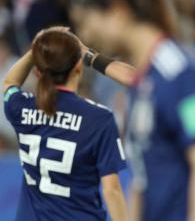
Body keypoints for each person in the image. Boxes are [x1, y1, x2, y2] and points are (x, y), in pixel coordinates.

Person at [70, 0, 195, 221]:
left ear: (117, 11)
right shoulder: (142, 82)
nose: (85, 34)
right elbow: (142, 179)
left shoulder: (178, 72)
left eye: (85, 22)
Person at [2, 27, 128, 221]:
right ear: (78, 65)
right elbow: (112, 191)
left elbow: (9, 83)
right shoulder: (99, 119)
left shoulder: (21, 108)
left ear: (37, 70)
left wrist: (35, 49)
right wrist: (89, 55)